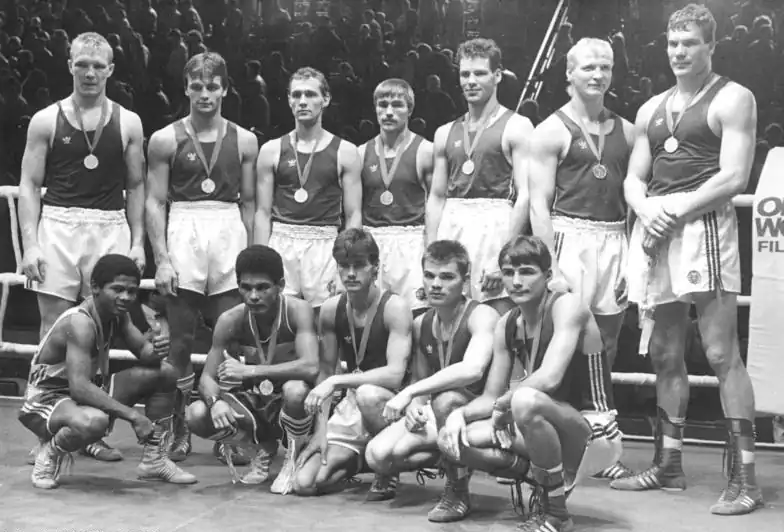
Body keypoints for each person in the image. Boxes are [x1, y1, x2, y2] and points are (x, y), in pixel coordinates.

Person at [611, 4, 763, 516]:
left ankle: (746, 478)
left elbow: (735, 176)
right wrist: (647, 209)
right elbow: (634, 176)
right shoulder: (651, 107)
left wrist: (672, 210)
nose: (679, 52)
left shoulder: (734, 97)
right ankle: (668, 464)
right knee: (663, 354)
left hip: (703, 227)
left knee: (721, 353)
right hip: (658, 229)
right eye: (673, 43)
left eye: (690, 43)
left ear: (710, 45)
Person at [18, 31, 146, 463]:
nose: (89, 73)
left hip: (109, 224)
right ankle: (47, 426)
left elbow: (136, 185)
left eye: (98, 66)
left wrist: (139, 241)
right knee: (54, 325)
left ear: (110, 69)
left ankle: (89, 426)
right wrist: (31, 245)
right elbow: (30, 186)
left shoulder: (128, 121)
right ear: (69, 65)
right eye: (81, 65)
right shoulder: (44, 120)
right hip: (59, 223)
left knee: (104, 326)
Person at [438, 236, 622, 530]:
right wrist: (458, 415)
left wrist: (502, 405)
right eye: (509, 273)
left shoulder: (567, 306)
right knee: (456, 440)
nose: (516, 281)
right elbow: (491, 396)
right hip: (545, 421)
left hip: (594, 430)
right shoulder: (507, 323)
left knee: (524, 400)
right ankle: (537, 480)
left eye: (527, 272)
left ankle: (557, 514)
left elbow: (549, 377)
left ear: (548, 276)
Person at [528, 38, 634, 480]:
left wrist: (632, 261)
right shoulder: (550, 130)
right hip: (568, 237)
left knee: (605, 344)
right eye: (589, 67)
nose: (598, 75)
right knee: (560, 343)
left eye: (605, 67)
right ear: (568, 73)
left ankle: (600, 446)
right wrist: (549, 267)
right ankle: (544, 442)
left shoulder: (628, 130)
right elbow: (539, 204)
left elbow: (633, 200)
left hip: (613, 238)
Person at [146, 51, 258, 463]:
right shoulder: (165, 139)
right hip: (185, 226)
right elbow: (156, 202)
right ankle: (177, 424)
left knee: (231, 341)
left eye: (213, 86)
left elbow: (249, 203)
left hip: (228, 227)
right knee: (178, 341)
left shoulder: (245, 140)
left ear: (225, 89)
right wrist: (161, 258)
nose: (205, 94)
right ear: (186, 88)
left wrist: (251, 257)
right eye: (197, 86)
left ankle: (231, 428)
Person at [18, 254, 197, 489]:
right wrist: (133, 416)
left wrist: (157, 348)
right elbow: (80, 388)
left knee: (165, 372)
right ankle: (48, 454)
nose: (126, 297)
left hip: (83, 392)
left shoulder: (118, 315)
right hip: (46, 400)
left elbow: (144, 352)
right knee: (95, 421)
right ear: (95, 288)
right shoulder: (79, 323)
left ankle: (155, 460)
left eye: (132, 291)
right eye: (118, 289)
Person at [365, 240, 500, 522]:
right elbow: (422, 380)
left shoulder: (482, 315)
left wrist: (412, 392)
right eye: (430, 275)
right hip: (439, 413)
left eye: (447, 277)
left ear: (465, 281)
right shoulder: (422, 323)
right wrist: (415, 405)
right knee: (378, 456)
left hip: (479, 412)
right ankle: (448, 457)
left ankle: (457, 490)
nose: (436, 284)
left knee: (447, 398)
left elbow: (473, 369)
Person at [185, 245, 320, 494]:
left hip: (295, 405)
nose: (253, 296)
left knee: (295, 390)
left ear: (280, 284)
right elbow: (206, 377)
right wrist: (215, 402)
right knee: (196, 413)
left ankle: (294, 454)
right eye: (246, 288)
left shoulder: (298, 311)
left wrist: (252, 371)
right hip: (257, 402)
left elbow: (311, 366)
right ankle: (259, 449)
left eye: (262, 287)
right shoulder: (230, 320)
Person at [292, 228, 412, 497]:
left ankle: (386, 468)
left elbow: (395, 374)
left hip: (389, 404)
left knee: (368, 395)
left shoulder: (395, 307)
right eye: (344, 266)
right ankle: (363, 461)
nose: (351, 274)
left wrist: (338, 380)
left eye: (359, 266)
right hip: (352, 403)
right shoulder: (331, 309)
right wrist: (320, 430)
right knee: (305, 483)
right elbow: (325, 374)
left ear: (375, 268)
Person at [426, 38, 533, 302]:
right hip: (452, 221)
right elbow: (436, 197)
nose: (471, 81)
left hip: (495, 223)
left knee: (493, 312)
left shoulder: (518, 126)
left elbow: (525, 196)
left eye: (480, 73)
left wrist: (506, 256)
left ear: (497, 76)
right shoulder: (444, 132)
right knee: (449, 317)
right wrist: (430, 251)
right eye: (465, 74)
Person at [255, 67, 363, 308]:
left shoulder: (345, 151)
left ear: (325, 99)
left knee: (325, 320)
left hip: (324, 243)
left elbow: (354, 214)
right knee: (280, 321)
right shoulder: (271, 150)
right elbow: (262, 212)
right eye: (296, 95)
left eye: (310, 94)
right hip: (282, 239)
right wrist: (261, 263)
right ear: (289, 100)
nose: (302, 101)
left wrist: (347, 264)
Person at [358, 79, 433, 311]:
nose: (389, 112)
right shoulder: (360, 153)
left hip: (411, 242)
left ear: (410, 109)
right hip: (373, 241)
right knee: (372, 317)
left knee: (417, 315)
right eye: (383, 104)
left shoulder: (425, 150)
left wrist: (430, 253)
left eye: (397, 105)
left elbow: (435, 206)